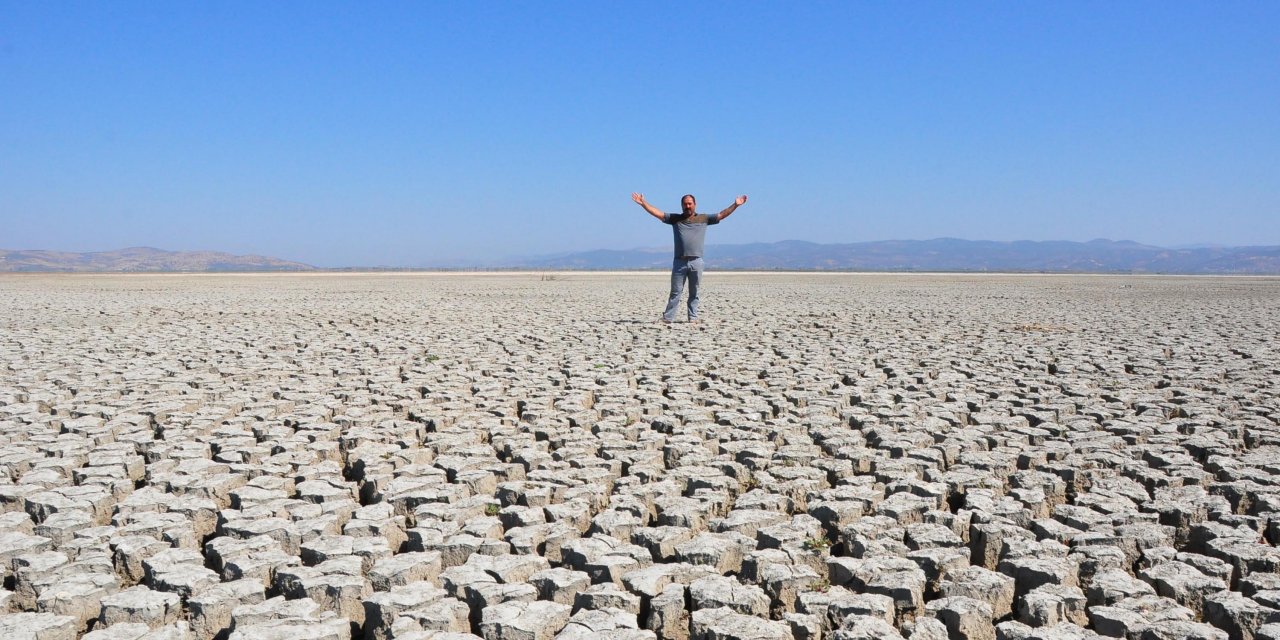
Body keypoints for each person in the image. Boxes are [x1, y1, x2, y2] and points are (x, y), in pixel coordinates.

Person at [631, 192, 748, 324]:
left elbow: (721, 215)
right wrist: (643, 204)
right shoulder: (675, 219)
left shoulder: (704, 218)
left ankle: (693, 317)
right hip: (679, 262)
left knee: (694, 292)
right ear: (681, 206)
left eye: (690, 204)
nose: (687, 206)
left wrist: (736, 205)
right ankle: (668, 318)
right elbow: (658, 213)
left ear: (695, 204)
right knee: (675, 292)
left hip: (696, 261)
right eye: (685, 204)